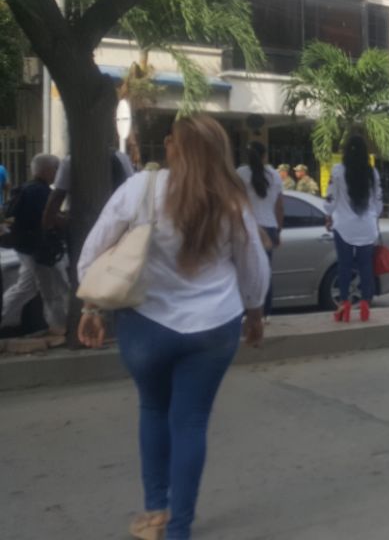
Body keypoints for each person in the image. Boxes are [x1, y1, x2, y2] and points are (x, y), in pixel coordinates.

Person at [77, 115, 268, 540]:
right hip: (214, 326)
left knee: (152, 410)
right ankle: (179, 527)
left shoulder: (139, 189)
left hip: (146, 325)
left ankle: (154, 512)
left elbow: (93, 252)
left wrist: (91, 307)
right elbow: (253, 265)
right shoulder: (232, 200)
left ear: (171, 147)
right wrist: (254, 314)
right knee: (191, 423)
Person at [1, 154, 71, 339]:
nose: (58, 172)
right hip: (40, 250)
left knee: (25, 287)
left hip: (26, 248)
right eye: (56, 168)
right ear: (48, 170)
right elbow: (50, 219)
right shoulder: (41, 192)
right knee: (54, 289)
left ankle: (4, 320)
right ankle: (60, 328)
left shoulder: (27, 188)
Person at [324, 136, 382, 322]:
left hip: (344, 226)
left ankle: (344, 305)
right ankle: (365, 305)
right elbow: (378, 200)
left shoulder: (338, 171)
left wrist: (328, 214)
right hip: (366, 226)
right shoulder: (372, 172)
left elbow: (331, 197)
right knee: (366, 266)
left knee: (344, 266)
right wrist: (373, 216)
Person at [236, 142, 284, 316]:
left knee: (244, 272)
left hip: (248, 228)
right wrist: (278, 231)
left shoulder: (241, 174)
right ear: (265, 155)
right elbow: (279, 207)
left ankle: (245, 314)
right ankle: (265, 315)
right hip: (269, 228)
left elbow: (236, 201)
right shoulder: (274, 175)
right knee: (265, 272)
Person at [42, 147, 134, 232]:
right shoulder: (122, 157)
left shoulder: (70, 160)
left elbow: (56, 198)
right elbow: (130, 189)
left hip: (84, 226)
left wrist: (48, 224)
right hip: (118, 222)